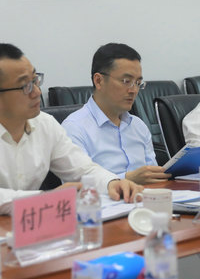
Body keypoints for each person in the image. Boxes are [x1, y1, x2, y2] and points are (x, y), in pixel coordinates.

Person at [0, 43, 142, 215]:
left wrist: (112, 183)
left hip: (28, 230)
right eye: (25, 86)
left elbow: (83, 169)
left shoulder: (45, 124)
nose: (36, 92)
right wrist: (45, 200)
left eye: (35, 80)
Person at [62, 43, 170, 185]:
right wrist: (126, 179)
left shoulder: (138, 126)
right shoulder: (74, 128)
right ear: (99, 81)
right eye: (126, 81)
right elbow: (76, 185)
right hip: (104, 199)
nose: (134, 90)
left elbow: (154, 178)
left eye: (138, 83)